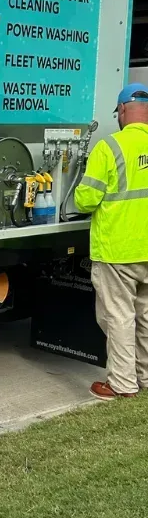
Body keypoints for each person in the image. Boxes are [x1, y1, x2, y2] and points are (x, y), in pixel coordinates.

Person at [75, 82, 148, 400]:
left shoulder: (109, 147)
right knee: (145, 316)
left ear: (122, 111)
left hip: (118, 249)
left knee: (118, 317)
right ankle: (144, 377)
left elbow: (85, 200)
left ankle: (121, 384)